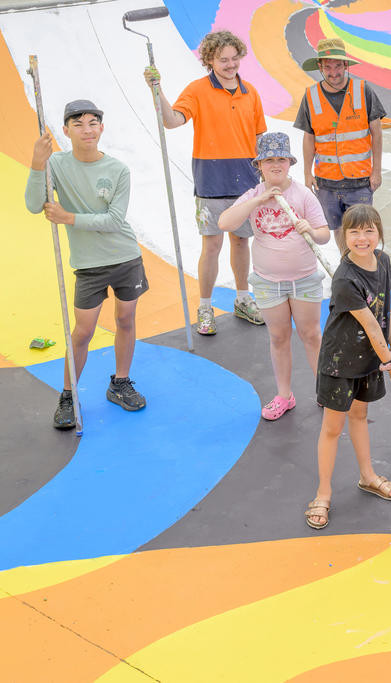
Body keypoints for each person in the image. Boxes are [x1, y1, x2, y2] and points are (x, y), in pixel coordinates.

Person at [25, 100, 148, 429]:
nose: (87, 129)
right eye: (78, 124)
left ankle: (120, 383)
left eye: (93, 122)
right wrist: (38, 165)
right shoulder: (56, 165)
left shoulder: (118, 170)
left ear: (102, 128)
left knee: (125, 319)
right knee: (83, 331)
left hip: (125, 256)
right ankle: (68, 395)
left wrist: (68, 218)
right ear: (65, 130)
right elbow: (34, 204)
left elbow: (113, 220)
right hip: (89, 265)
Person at [144, 30, 266, 335]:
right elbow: (171, 121)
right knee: (211, 245)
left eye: (234, 58)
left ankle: (242, 298)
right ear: (209, 60)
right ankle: (205, 307)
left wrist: (267, 171)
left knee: (241, 241)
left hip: (246, 180)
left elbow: (260, 136)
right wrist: (156, 89)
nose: (229, 64)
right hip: (211, 179)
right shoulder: (197, 90)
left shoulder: (250, 92)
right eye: (222, 59)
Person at [306, 205, 391, 530]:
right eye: (354, 232)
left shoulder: (383, 261)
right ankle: (323, 492)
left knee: (360, 416)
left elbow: (384, 308)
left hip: (369, 357)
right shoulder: (345, 279)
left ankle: (368, 476)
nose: (362, 238)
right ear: (344, 236)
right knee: (332, 429)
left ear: (378, 233)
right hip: (340, 362)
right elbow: (367, 322)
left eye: (368, 231)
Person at [218, 132, 330, 420]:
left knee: (311, 335)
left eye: (281, 159)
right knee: (279, 337)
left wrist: (310, 229)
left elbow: (323, 235)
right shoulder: (253, 195)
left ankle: (324, 391)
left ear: (290, 163)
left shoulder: (303, 194)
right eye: (269, 160)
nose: (276, 165)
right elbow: (224, 222)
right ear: (260, 165)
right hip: (268, 282)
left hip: (304, 279)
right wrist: (259, 200)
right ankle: (284, 395)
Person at [294, 38, 385, 255]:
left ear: (346, 65)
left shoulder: (363, 90)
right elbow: (309, 138)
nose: (333, 72)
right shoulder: (310, 95)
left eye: (337, 66)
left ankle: (364, 271)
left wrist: (377, 171)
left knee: (362, 230)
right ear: (320, 67)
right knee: (337, 229)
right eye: (328, 67)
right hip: (327, 181)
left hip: (360, 179)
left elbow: (377, 132)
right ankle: (348, 267)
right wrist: (307, 173)